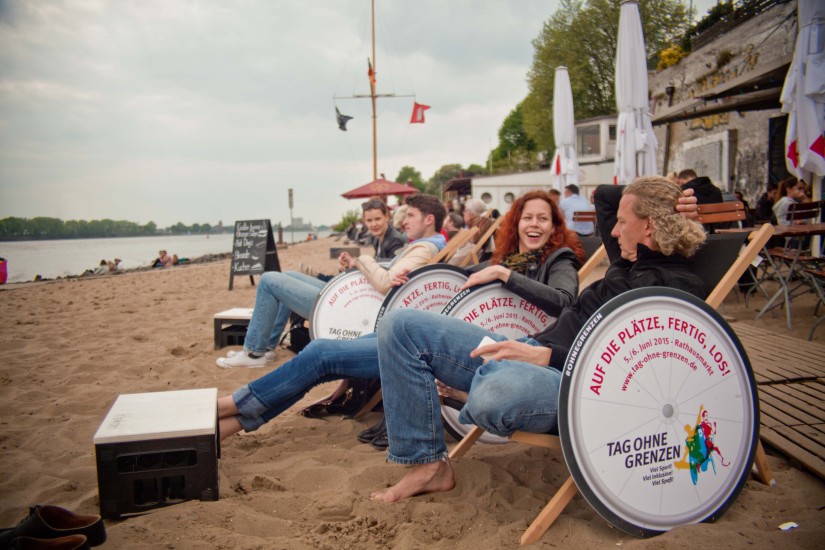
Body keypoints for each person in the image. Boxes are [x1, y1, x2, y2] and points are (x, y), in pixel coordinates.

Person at [370, 176, 707, 503]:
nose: (614, 231)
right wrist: (669, 195)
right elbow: (604, 195)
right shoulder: (626, 259)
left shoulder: (671, 290)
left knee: (494, 397)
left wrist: (545, 357)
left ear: (647, 226)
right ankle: (429, 465)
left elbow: (626, 372)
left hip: (573, 383)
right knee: (399, 325)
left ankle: (474, 385)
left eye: (621, 222)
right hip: (530, 352)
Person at [214, 190, 585, 442]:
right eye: (527, 218)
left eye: (543, 219)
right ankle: (236, 417)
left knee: (323, 356)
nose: (534, 225)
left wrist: (506, 275)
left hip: (480, 358)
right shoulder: (500, 259)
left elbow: (566, 301)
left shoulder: (558, 259)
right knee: (325, 353)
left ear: (554, 226)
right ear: (516, 222)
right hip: (449, 343)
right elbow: (455, 285)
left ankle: (235, 409)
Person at [215, 193, 447, 368]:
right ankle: (265, 348)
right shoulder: (423, 246)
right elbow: (387, 275)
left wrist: (362, 260)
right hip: (358, 298)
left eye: (410, 215)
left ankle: (254, 352)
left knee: (268, 280)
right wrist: (358, 266)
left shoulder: (424, 249)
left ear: (429, 219)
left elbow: (385, 282)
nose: (404, 221)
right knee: (287, 277)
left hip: (356, 309)